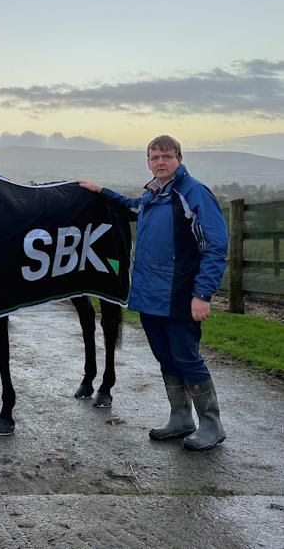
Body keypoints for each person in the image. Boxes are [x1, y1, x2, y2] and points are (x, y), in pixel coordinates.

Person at [78, 135, 228, 451]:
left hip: (179, 294)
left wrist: (202, 294)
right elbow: (132, 206)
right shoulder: (153, 195)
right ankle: (181, 418)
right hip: (149, 295)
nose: (160, 162)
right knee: (165, 357)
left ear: (179, 159)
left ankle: (212, 425)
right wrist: (100, 191)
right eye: (154, 157)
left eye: (167, 156)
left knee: (187, 357)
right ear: (148, 161)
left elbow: (215, 246)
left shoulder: (192, 193)